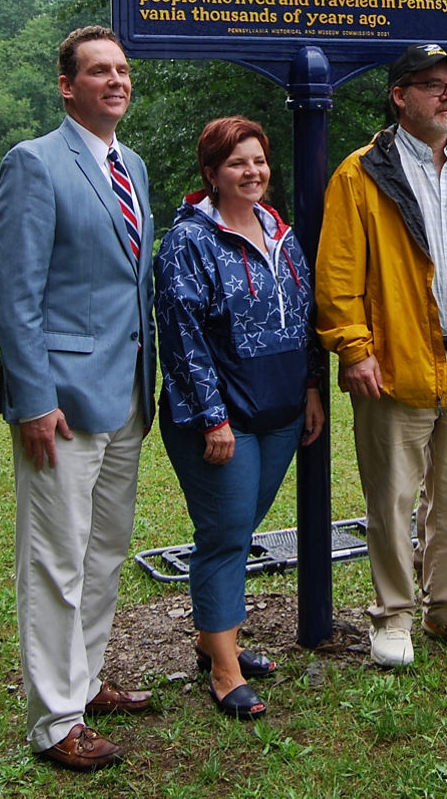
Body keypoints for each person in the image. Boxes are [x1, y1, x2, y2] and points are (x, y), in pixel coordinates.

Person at [316, 44, 447, 668]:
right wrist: (354, 349)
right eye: (433, 85)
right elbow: (337, 275)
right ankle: (394, 615)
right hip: (394, 363)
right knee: (392, 497)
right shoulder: (361, 173)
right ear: (399, 96)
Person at [0, 25, 156, 771]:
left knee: (105, 552)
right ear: (67, 85)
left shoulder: (136, 167)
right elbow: (15, 295)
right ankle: (56, 723)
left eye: (121, 69)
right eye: (97, 71)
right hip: (58, 401)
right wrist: (32, 399)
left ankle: (84, 683)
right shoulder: (34, 164)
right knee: (55, 559)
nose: (115, 80)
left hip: (126, 395)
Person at [154, 117, 324, 721]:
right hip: (221, 419)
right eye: (236, 164)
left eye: (258, 160)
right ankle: (223, 670)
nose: (252, 172)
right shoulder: (188, 242)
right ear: (211, 174)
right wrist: (211, 418)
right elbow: (182, 338)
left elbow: (305, 318)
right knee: (225, 536)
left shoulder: (282, 233)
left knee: (239, 527)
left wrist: (309, 387)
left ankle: (214, 636)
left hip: (279, 412)